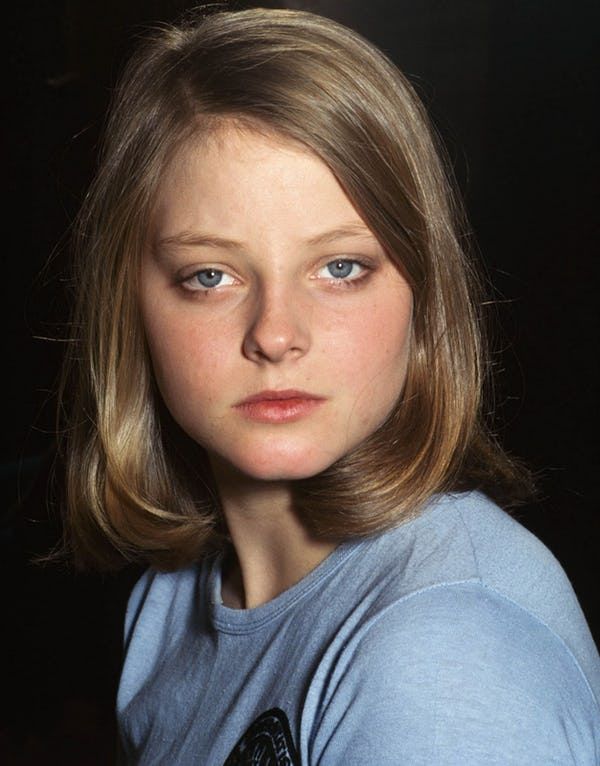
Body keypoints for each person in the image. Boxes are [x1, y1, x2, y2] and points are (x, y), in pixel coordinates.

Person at [58, 6, 600, 764]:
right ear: (130, 305)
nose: (276, 334)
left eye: (341, 268)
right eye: (210, 275)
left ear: (424, 294)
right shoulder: (169, 601)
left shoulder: (443, 655)